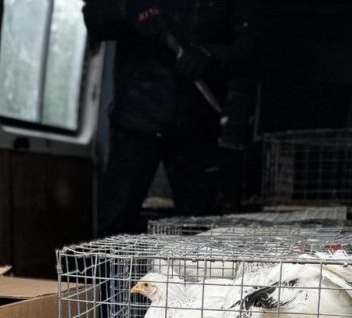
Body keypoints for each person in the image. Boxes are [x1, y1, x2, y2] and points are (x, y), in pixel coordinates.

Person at [83, 0, 258, 236]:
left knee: (198, 229)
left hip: (197, 127)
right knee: (114, 222)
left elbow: (249, 49)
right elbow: (95, 18)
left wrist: (211, 57)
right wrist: (130, 10)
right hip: (136, 120)